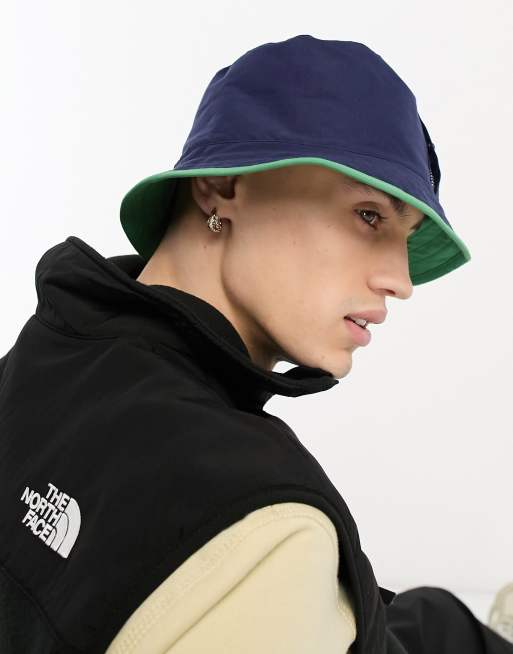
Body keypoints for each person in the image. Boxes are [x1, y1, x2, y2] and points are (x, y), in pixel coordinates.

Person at [1, 34, 511, 654]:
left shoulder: (43, 354)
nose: (401, 281)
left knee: (434, 619)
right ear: (223, 185)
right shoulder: (271, 524)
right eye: (369, 215)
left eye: (405, 239)